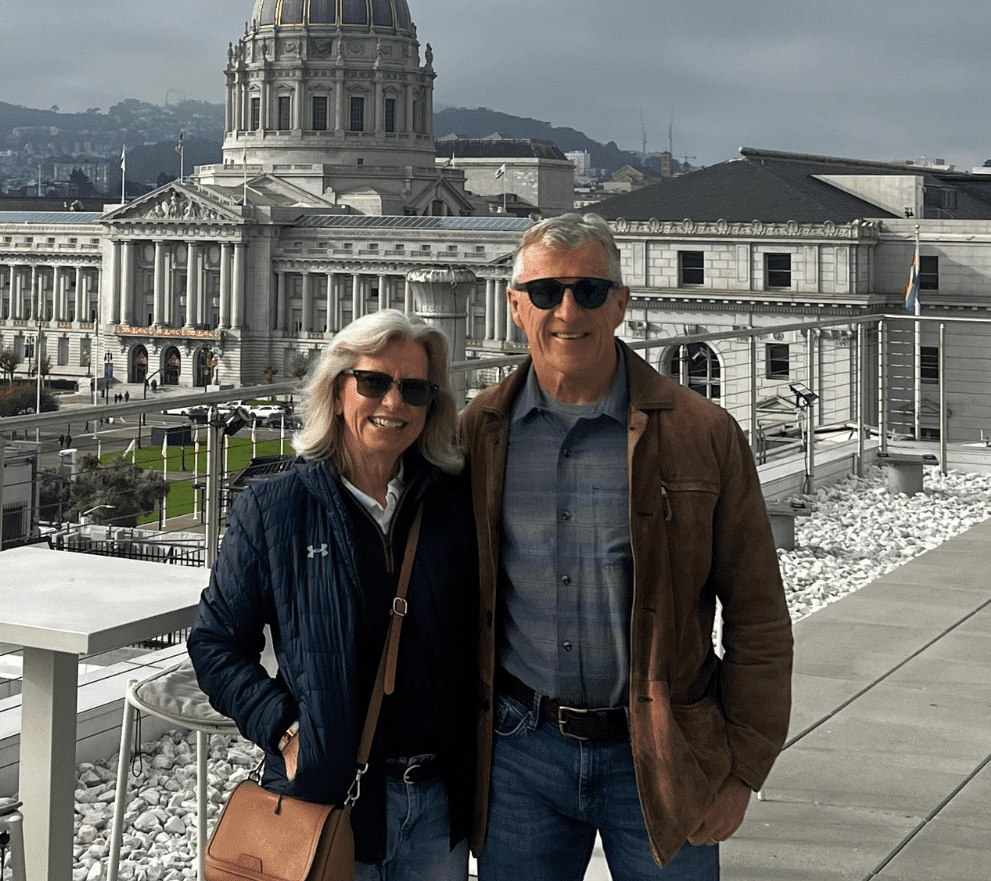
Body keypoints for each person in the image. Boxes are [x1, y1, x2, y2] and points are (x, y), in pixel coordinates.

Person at [459, 213, 794, 881]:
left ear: (620, 304)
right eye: (547, 291)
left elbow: (758, 616)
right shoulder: (477, 433)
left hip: (664, 747)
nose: (566, 310)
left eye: (588, 290)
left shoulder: (704, 433)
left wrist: (742, 769)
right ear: (515, 305)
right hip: (520, 752)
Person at [190, 309, 478, 881]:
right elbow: (216, 645)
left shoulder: (453, 504)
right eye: (374, 382)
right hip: (326, 799)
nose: (393, 404)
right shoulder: (275, 509)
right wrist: (285, 729)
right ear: (338, 389)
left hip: (437, 805)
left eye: (414, 389)